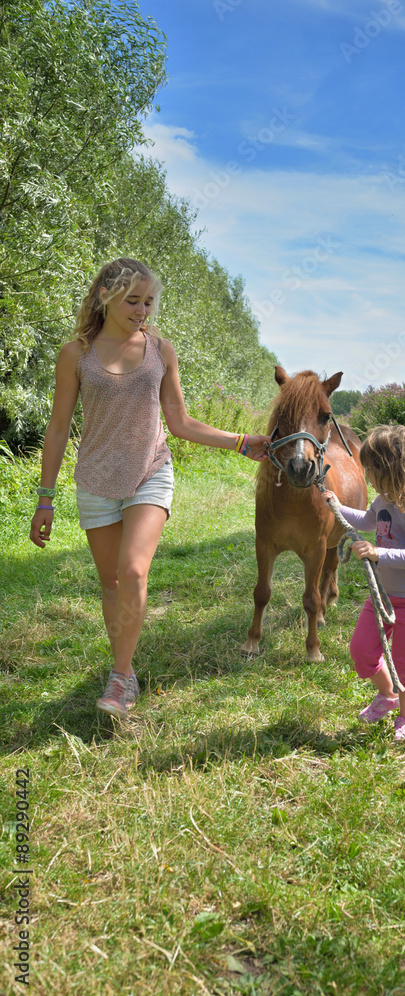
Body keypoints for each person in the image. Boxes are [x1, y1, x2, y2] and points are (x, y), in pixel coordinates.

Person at [29, 258, 271, 721]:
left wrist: (241, 442)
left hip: (150, 472)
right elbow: (58, 428)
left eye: (149, 302)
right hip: (96, 480)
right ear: (106, 297)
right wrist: (45, 497)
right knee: (112, 583)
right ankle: (126, 668)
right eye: (133, 301)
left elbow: (180, 423)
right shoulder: (76, 353)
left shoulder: (161, 349)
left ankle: (120, 678)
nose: (143, 311)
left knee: (134, 571)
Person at [322, 424, 405, 742]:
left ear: (390, 469)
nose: (368, 476)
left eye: (371, 469)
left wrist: (378, 553)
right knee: (361, 650)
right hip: (384, 596)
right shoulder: (383, 500)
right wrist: (336, 505)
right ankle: (387, 695)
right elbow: (366, 520)